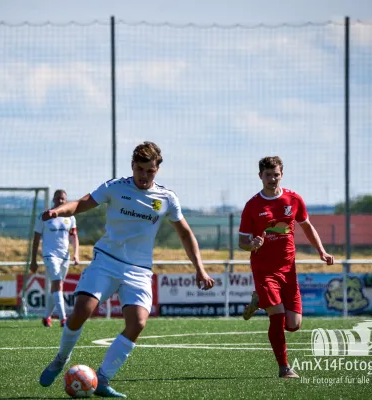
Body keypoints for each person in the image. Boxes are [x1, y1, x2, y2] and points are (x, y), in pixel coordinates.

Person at [39, 141, 215, 397]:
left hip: (139, 271)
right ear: (132, 166)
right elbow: (82, 203)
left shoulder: (166, 198)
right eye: (140, 169)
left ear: (157, 170)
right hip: (106, 261)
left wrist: (200, 269)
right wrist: (57, 211)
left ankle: (103, 378)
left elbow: (186, 234)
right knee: (81, 311)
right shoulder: (115, 187)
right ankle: (60, 359)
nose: (144, 176)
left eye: (150, 171)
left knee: (138, 323)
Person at [238, 156, 334, 379]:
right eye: (268, 175)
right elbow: (242, 241)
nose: (272, 179)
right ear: (260, 175)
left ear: (282, 174)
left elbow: (307, 226)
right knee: (278, 317)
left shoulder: (293, 199)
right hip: (264, 269)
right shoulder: (252, 205)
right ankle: (284, 367)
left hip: (288, 269)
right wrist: (251, 244)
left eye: (276, 175)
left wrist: (321, 251)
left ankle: (259, 300)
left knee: (294, 324)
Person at [30, 189, 80, 328]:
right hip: (50, 255)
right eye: (58, 198)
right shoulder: (44, 216)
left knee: (56, 287)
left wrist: (76, 253)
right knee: (58, 284)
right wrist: (33, 260)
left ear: (66, 200)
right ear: (53, 199)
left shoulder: (70, 217)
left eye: (63, 199)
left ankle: (46, 317)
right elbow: (36, 238)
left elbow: (74, 236)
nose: (60, 201)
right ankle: (63, 318)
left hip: (65, 257)